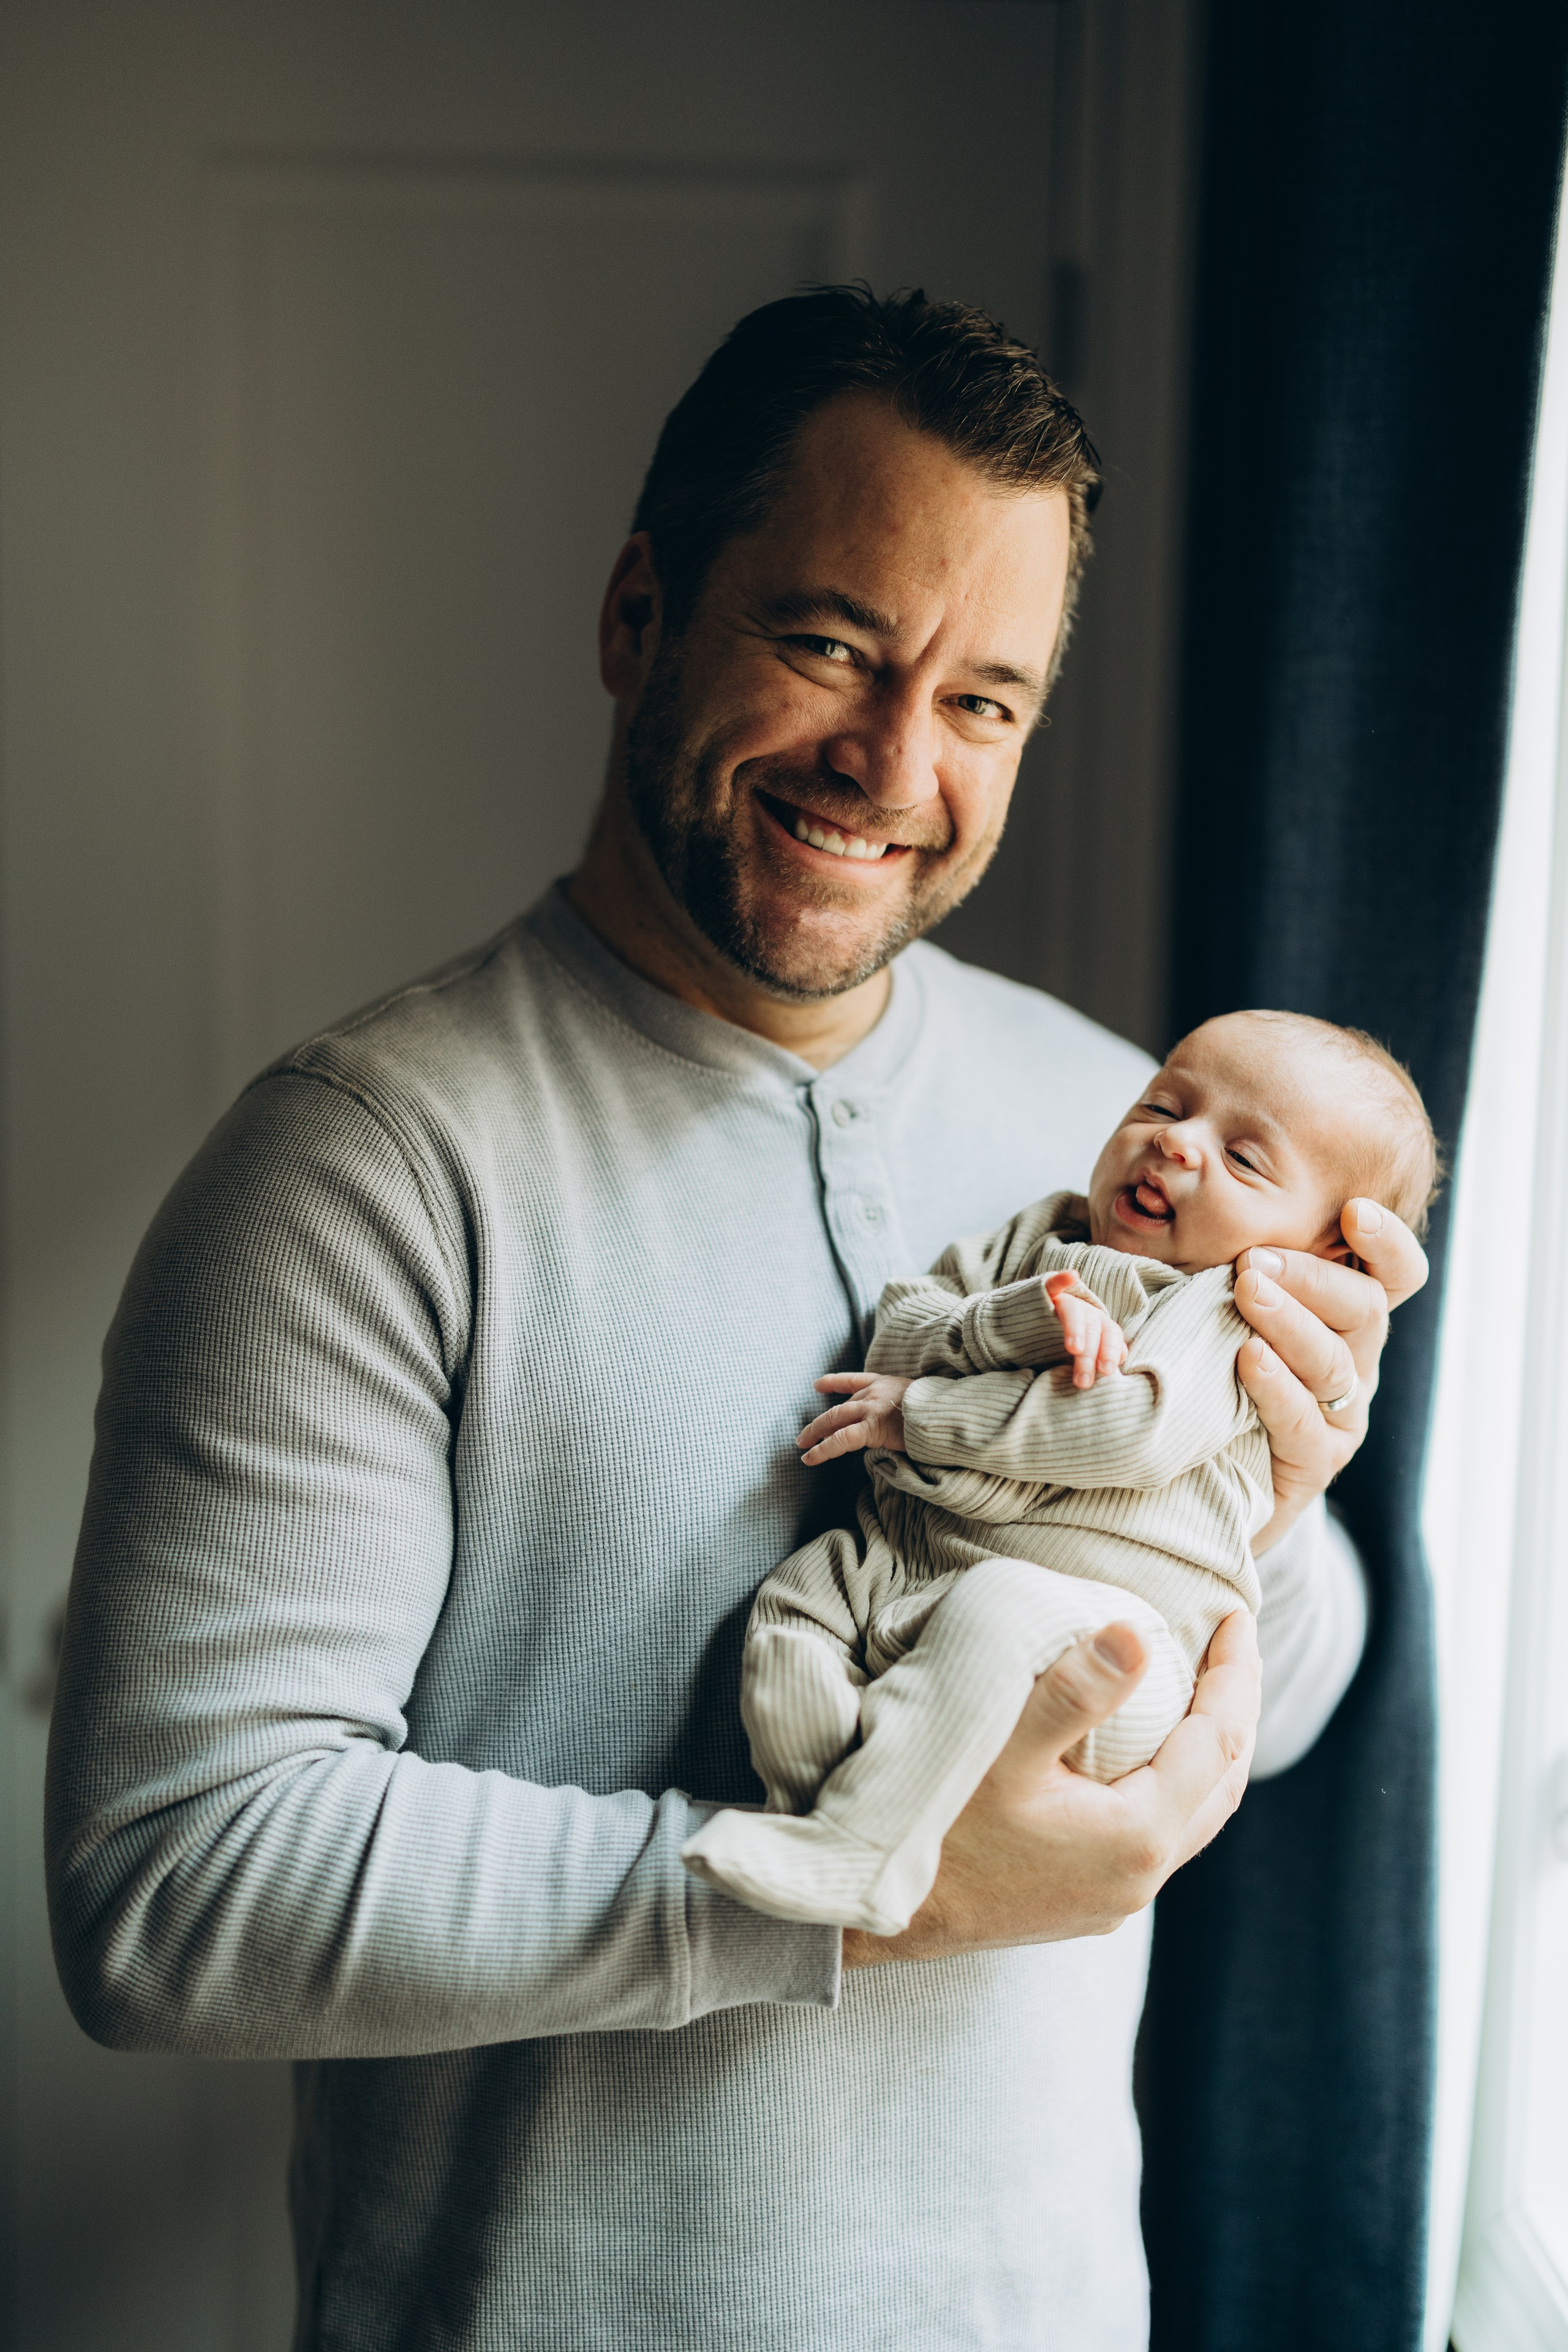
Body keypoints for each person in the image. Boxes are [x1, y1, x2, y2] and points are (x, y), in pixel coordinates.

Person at [45, 290, 1428, 2351]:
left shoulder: (1131, 1119)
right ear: (640, 615)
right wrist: (861, 1900)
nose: (896, 765)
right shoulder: (362, 1173)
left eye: (985, 701)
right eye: (833, 645)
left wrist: (1281, 1499)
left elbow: (1288, 1688)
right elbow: (180, 1888)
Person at [684, 1011, 1439, 1936]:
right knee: (795, 1609)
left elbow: (1128, 1428)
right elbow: (903, 1329)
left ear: (1326, 1257)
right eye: (1164, 1105)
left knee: (1003, 1607)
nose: (1175, 1142)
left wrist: (921, 1416)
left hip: (1103, 1644)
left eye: (1245, 1159)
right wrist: (1020, 1320)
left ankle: (861, 1841)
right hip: (908, 1576)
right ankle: (822, 1809)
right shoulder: (1044, 1234)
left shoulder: (1236, 1308)